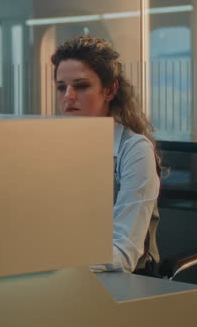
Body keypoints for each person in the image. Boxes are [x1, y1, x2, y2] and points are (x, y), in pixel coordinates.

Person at [51, 34, 159, 274]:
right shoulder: (53, 146)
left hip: (119, 280)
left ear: (109, 90)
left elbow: (124, 251)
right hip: (66, 273)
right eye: (61, 87)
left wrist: (57, 262)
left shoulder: (134, 150)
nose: (68, 96)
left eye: (81, 86)